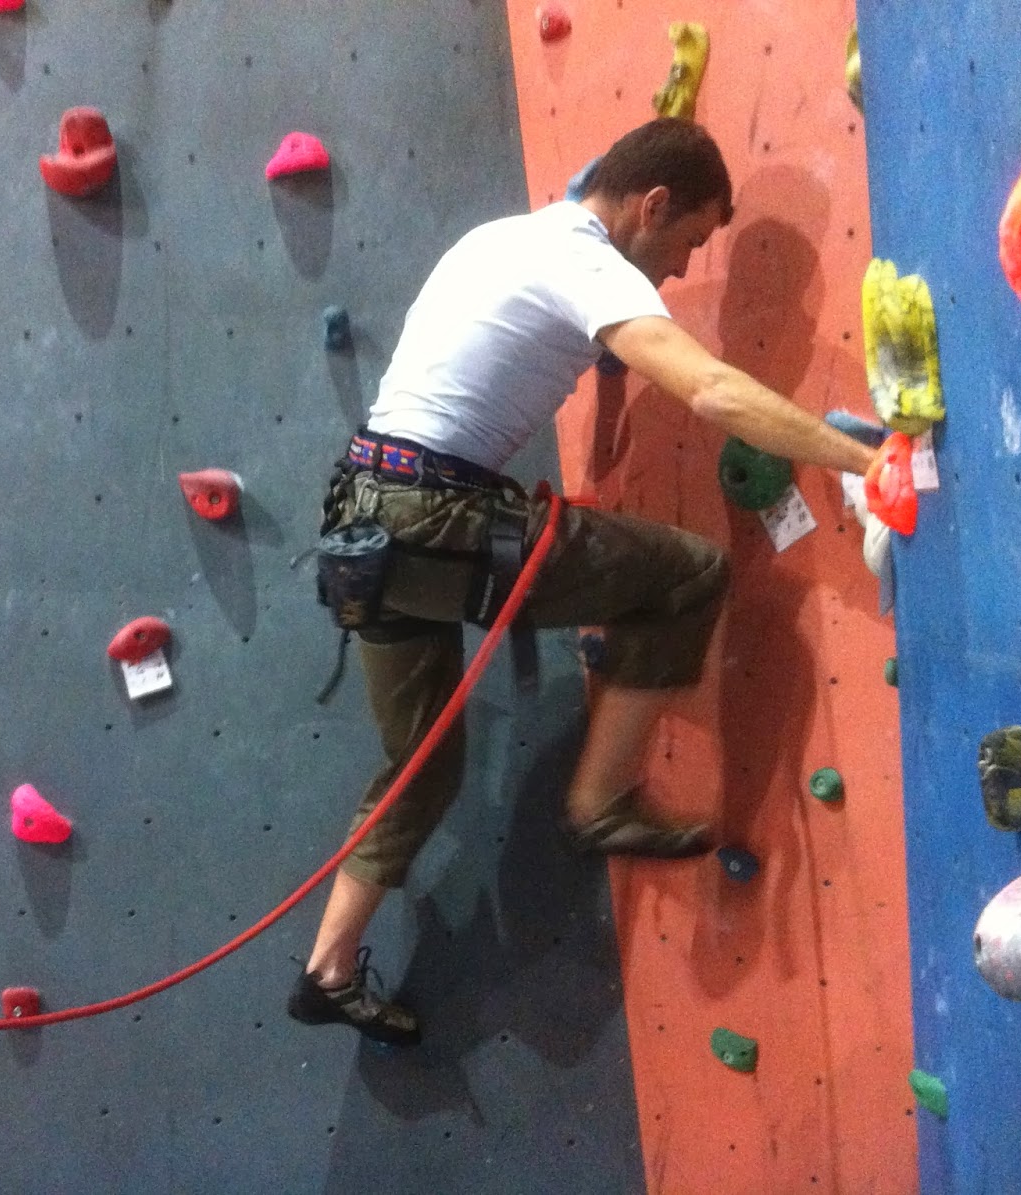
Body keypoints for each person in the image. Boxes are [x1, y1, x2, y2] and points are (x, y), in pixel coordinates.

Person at [287, 119, 878, 1047]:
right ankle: (600, 800)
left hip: (363, 523)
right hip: (437, 519)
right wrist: (864, 461)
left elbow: (545, 338)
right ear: (652, 205)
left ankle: (326, 967)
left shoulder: (504, 241)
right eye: (688, 242)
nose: (681, 270)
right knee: (690, 574)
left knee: (422, 767)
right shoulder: (587, 264)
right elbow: (710, 390)